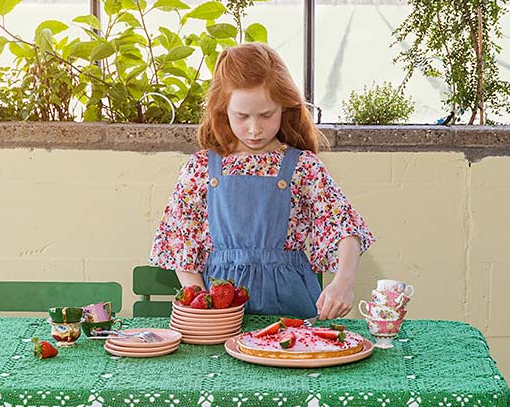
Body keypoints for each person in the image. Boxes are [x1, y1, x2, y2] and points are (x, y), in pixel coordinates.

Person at [149, 43, 375, 320]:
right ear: (223, 109)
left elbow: (344, 227)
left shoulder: (302, 166)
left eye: (266, 115)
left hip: (290, 307)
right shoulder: (201, 168)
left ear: (284, 107)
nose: (254, 129)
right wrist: (202, 302)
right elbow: (180, 241)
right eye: (241, 116)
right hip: (222, 309)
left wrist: (343, 283)